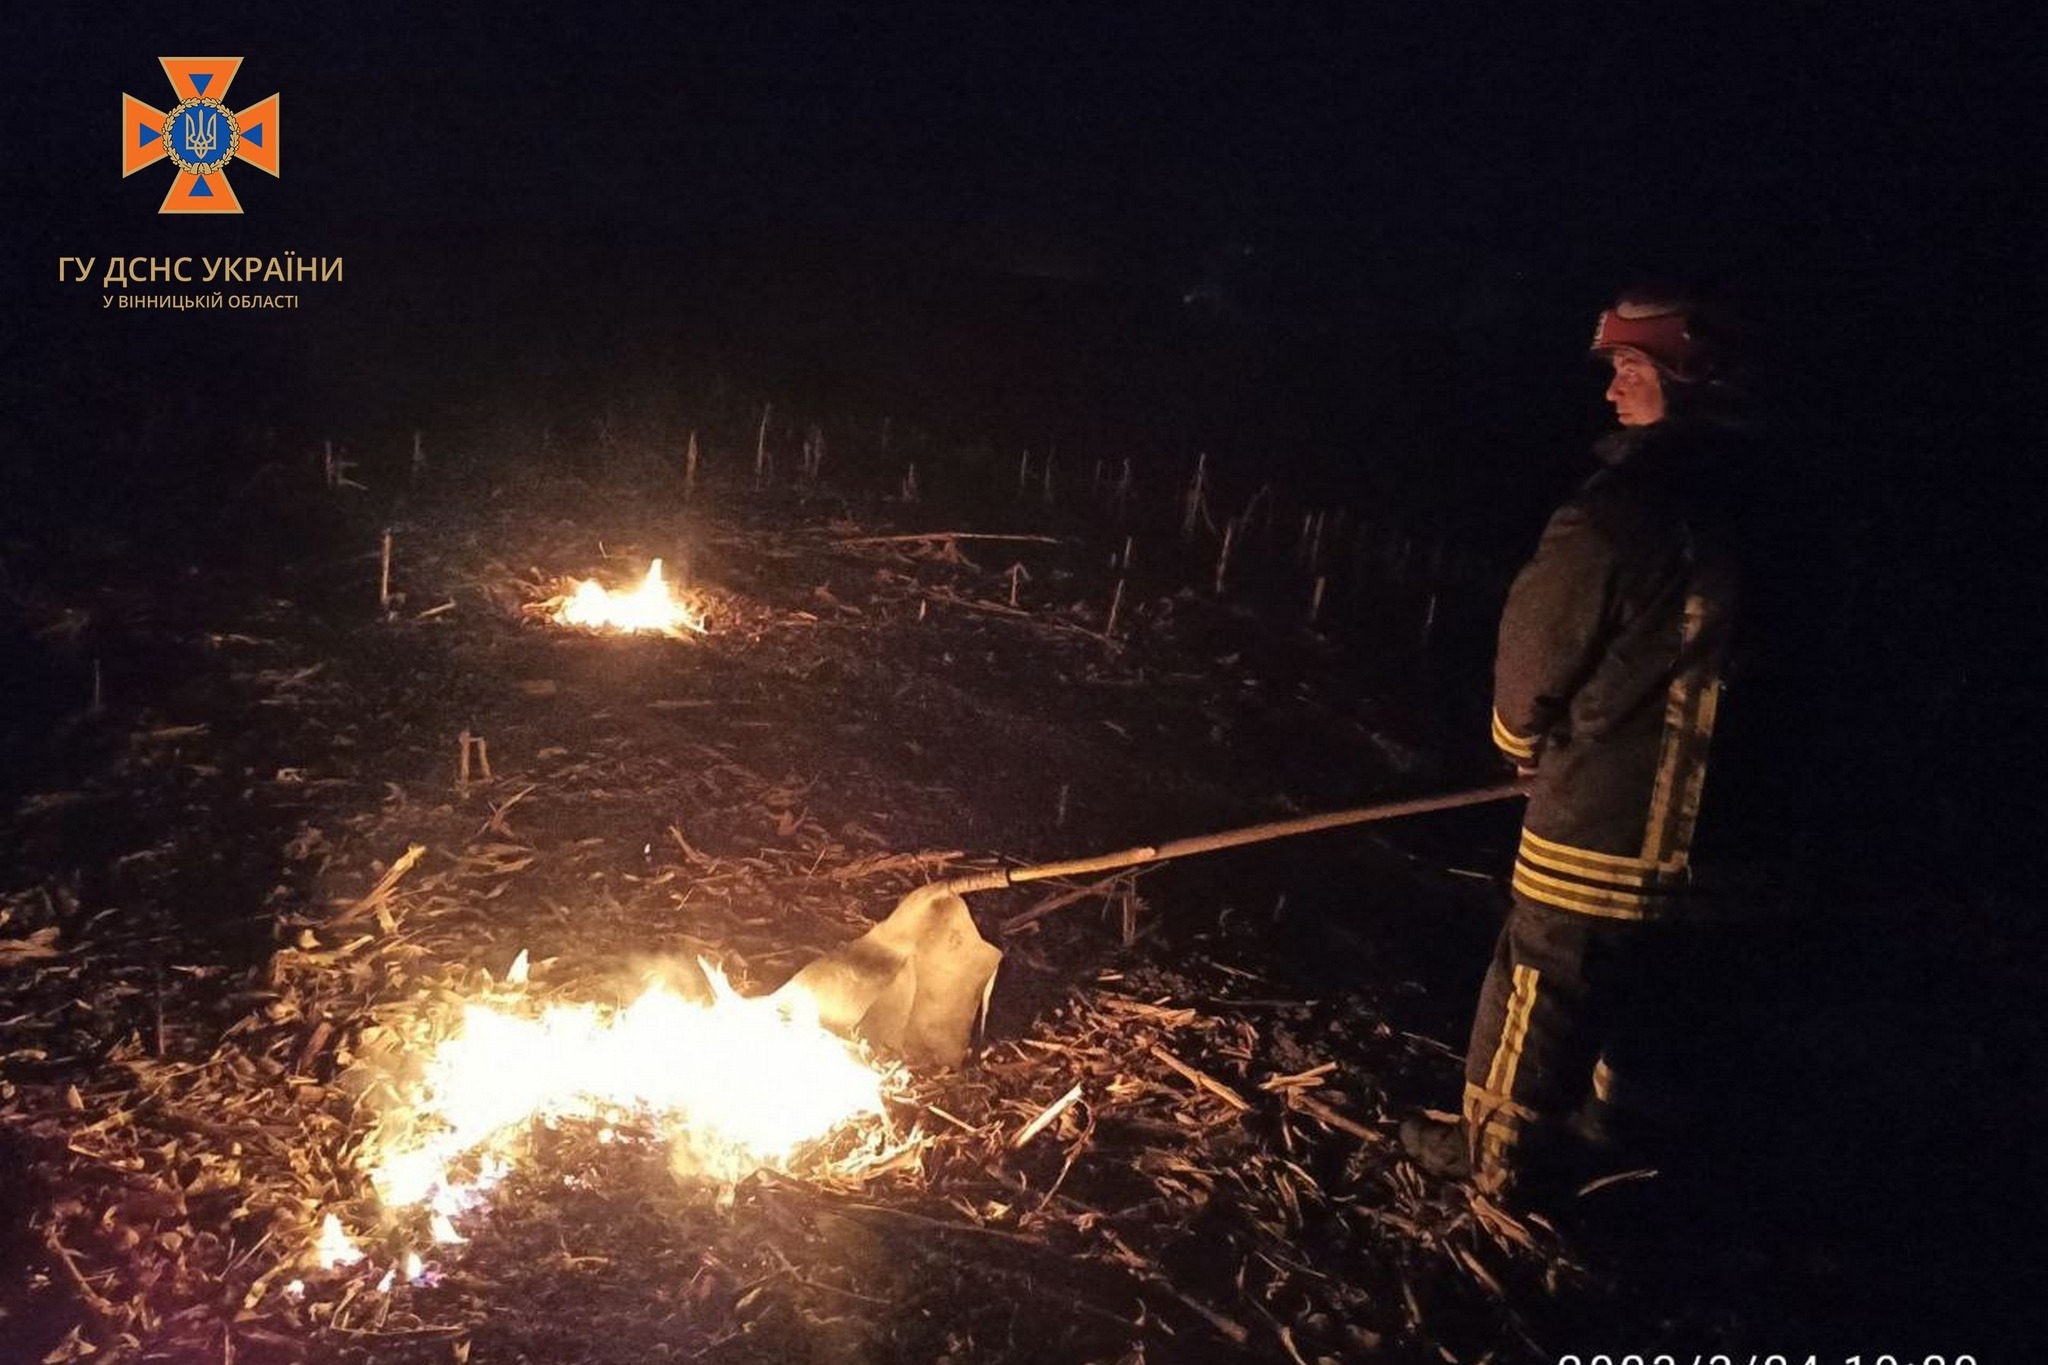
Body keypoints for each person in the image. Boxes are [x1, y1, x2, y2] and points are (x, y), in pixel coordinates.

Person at [1402, 286, 1752, 1201]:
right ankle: (1632, 1157)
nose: (1612, 392)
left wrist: (1519, 738)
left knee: (1546, 973)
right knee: (1670, 989)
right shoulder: (1786, 515)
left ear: (1687, 380)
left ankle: (1498, 1156)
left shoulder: (1619, 510)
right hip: (1744, 834)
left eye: (1631, 370)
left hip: (1606, 814)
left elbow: (1541, 641)